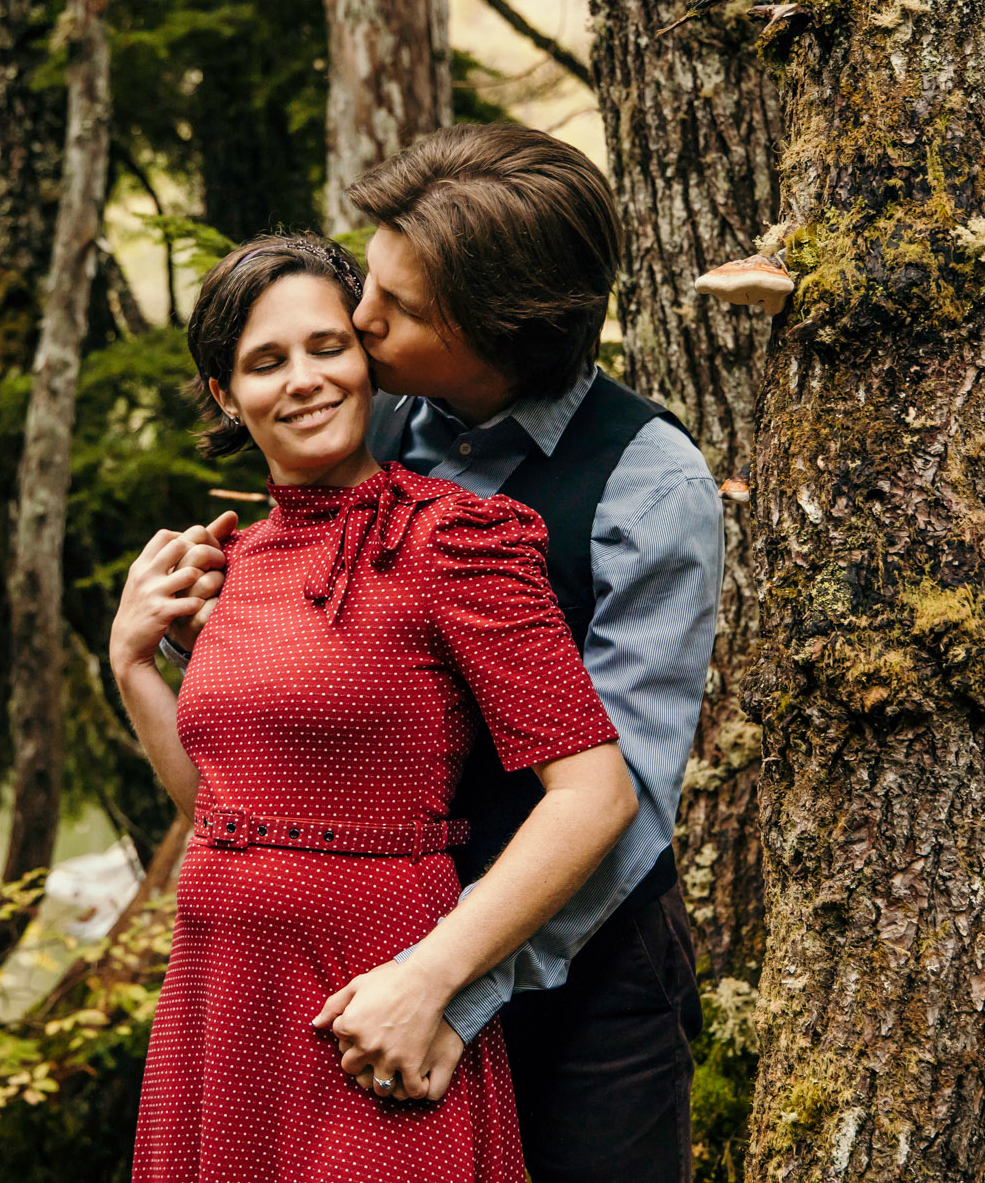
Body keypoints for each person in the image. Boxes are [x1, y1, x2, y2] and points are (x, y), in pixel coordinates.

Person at [164, 124, 724, 1182]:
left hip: (573, 989)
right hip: (370, 961)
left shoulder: (648, 489)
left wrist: (447, 987)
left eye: (399, 311)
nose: (357, 321)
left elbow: (623, 803)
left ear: (497, 340)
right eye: (369, 281)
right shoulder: (376, 418)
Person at [111, 233, 638, 1182]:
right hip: (221, 999)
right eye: (266, 362)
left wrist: (432, 977)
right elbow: (221, 813)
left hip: (376, 992)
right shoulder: (236, 565)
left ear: (366, 357)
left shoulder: (454, 540)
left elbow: (597, 794)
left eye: (326, 346)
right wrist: (133, 665)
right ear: (227, 395)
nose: (305, 380)